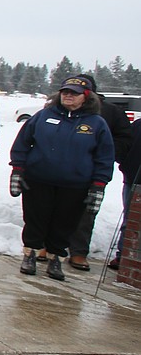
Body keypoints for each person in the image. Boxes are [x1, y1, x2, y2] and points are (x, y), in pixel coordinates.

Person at [9, 75, 115, 281]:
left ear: (86, 97)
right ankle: (29, 254)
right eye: (65, 92)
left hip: (75, 185)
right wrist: (18, 169)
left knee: (64, 223)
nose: (68, 96)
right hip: (38, 179)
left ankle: (55, 258)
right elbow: (22, 143)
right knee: (35, 219)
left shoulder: (96, 123)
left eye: (74, 93)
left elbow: (104, 157)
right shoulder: (43, 116)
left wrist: (99, 185)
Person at [63, 74, 133, 270]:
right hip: (57, 170)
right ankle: (45, 247)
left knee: (86, 213)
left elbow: (125, 139)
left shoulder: (109, 112)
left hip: (91, 172)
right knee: (52, 209)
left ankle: (78, 252)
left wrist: (105, 152)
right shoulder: (58, 110)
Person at [110, 117, 141, 270]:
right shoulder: (138, 125)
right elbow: (126, 145)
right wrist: (125, 164)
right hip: (133, 179)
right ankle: (122, 255)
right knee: (129, 220)